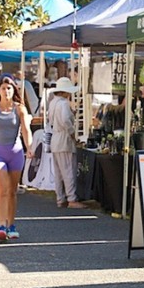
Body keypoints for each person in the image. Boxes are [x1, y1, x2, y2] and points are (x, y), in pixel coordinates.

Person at [0, 75, 33, 242]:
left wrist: (29, 147)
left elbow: (25, 130)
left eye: (9, 88)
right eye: (3, 88)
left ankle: (11, 225)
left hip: (15, 152)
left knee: (12, 191)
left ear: (13, 90)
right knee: (2, 190)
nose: (6, 91)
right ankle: (1, 225)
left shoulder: (19, 109)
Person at [49, 77, 85, 209]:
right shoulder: (63, 103)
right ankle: (72, 198)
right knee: (68, 170)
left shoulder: (53, 102)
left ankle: (61, 198)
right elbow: (65, 120)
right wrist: (72, 133)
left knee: (59, 172)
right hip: (64, 138)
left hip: (55, 138)